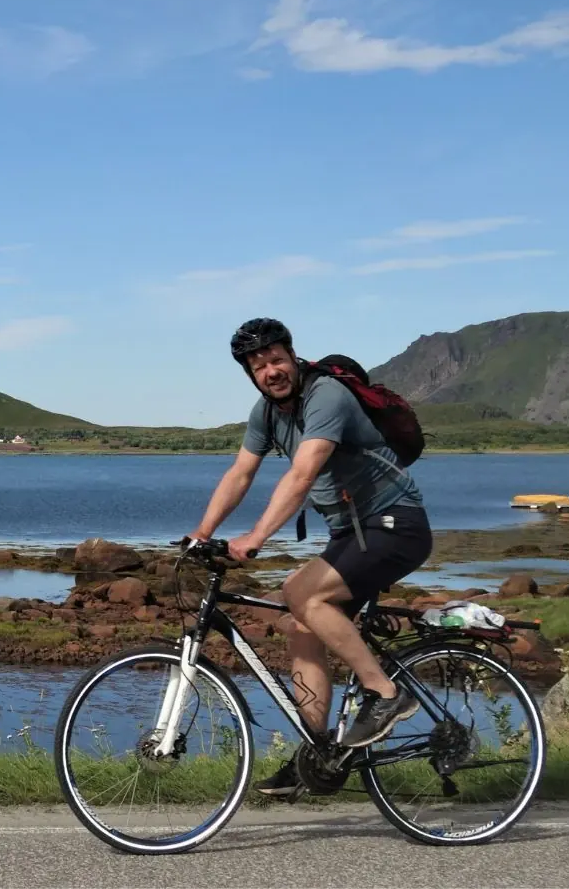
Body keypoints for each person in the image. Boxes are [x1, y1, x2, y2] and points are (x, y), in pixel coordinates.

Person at [188, 317, 432, 796]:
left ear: (293, 355)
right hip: (353, 533)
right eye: (258, 366)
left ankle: (387, 695)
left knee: (301, 593)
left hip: (394, 525)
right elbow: (241, 473)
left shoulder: (327, 397)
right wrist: (203, 532)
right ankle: (316, 753)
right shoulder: (266, 412)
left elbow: (301, 475)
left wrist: (257, 536)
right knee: (303, 622)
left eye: (276, 359)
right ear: (249, 373)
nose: (270, 371)